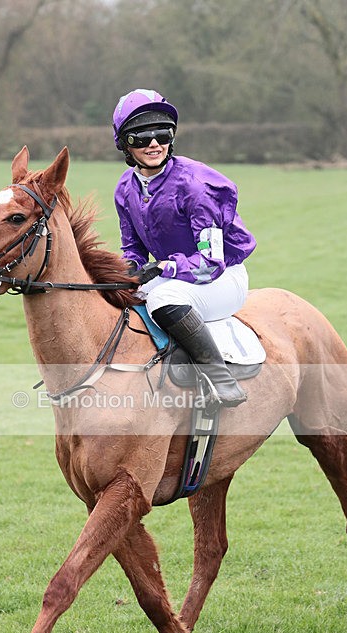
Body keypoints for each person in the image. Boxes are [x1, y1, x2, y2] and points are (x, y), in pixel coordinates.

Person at [112, 88, 257, 407]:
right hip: (177, 277)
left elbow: (210, 261)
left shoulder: (195, 186)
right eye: (141, 136)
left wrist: (163, 268)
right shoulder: (125, 188)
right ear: (125, 143)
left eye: (161, 133)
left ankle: (221, 377)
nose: (153, 143)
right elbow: (132, 249)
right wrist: (128, 271)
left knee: (162, 296)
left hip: (220, 279)